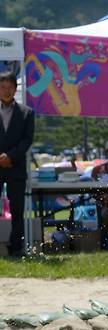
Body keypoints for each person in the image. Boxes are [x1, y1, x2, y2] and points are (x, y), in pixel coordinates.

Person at [0, 71, 34, 257]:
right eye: (3, 87)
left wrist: (10, 157)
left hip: (17, 168)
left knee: (17, 211)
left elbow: (27, 141)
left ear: (15, 89)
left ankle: (16, 248)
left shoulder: (27, 113)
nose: (6, 91)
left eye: (10, 88)